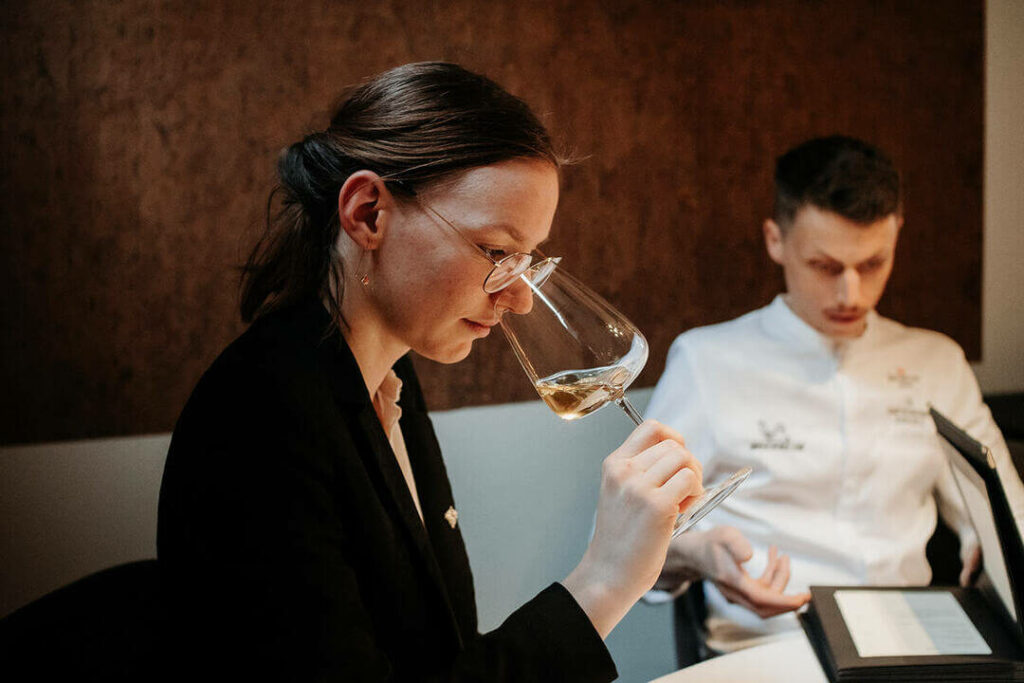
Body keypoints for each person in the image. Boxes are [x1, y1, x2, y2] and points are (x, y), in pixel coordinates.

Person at [156, 62, 704, 681]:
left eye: (527, 258)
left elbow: (441, 658)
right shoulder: (261, 422)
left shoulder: (388, 380)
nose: (520, 297)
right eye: (498, 252)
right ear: (368, 213)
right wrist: (604, 581)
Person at [646, 135, 1024, 655]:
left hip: (908, 641)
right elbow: (634, 541)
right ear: (776, 241)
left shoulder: (937, 362)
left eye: (873, 264)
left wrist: (999, 552)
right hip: (767, 644)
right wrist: (697, 554)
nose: (852, 295)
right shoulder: (706, 361)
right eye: (825, 267)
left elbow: (1006, 513)